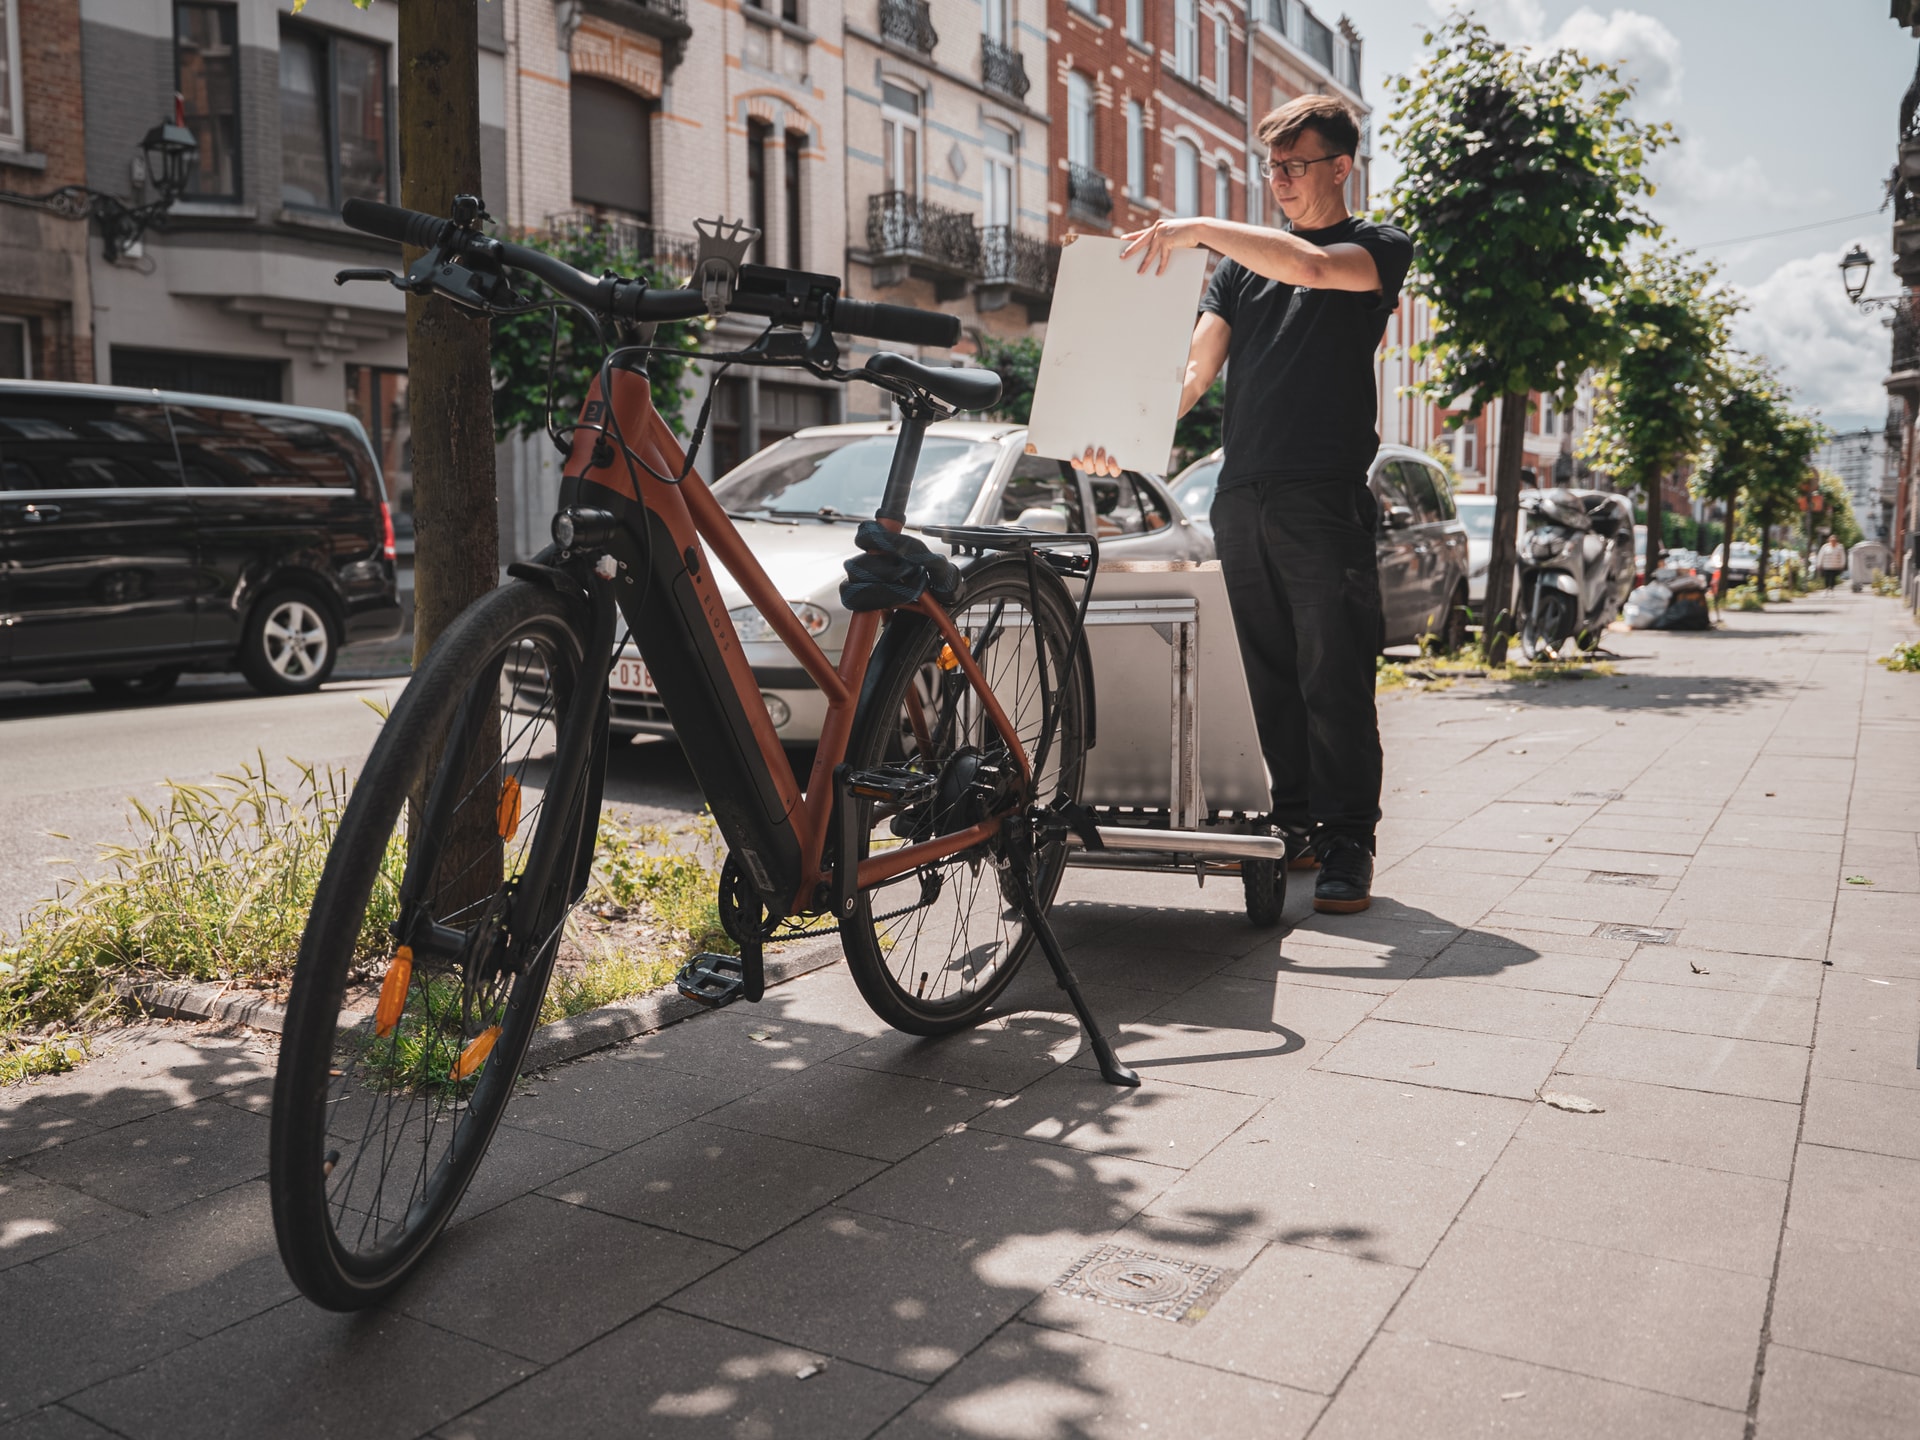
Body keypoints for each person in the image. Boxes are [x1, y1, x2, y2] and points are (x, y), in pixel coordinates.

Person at [1072, 94, 1412, 914]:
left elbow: (1314, 268)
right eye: (1272, 167)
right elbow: (1192, 374)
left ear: (1341, 167)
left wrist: (1192, 228)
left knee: (1333, 675)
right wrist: (1119, 424)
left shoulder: (1374, 248)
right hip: (1241, 495)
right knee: (1269, 676)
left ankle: (1346, 847)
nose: (1280, 181)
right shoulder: (1235, 271)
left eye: (1295, 165)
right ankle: (1290, 826)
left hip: (1322, 495)